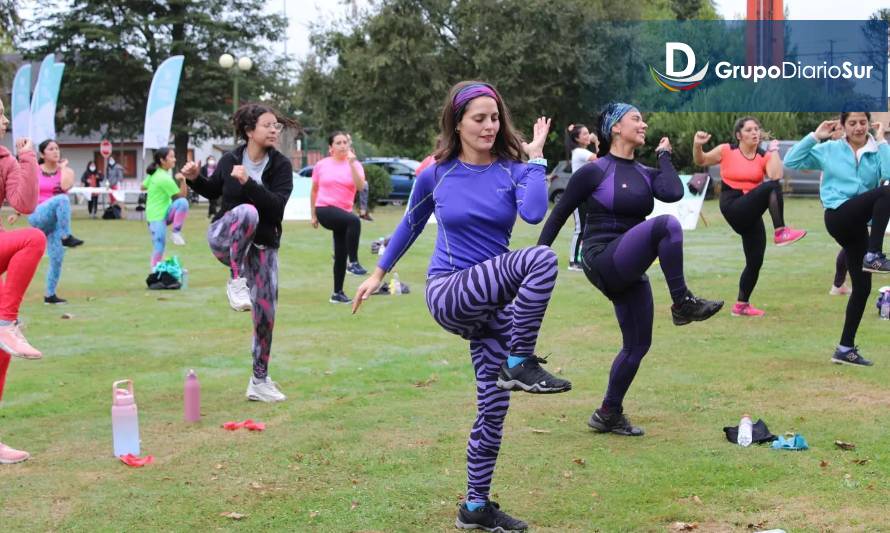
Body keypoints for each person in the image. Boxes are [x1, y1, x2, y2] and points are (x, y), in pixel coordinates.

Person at [353, 81, 571, 532]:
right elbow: (411, 224)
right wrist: (378, 273)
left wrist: (534, 158)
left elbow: (532, 215)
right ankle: (519, 362)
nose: (490, 126)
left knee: (493, 409)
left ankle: (474, 507)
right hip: (449, 291)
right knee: (543, 259)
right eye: (479, 118)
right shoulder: (438, 172)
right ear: (457, 122)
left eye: (495, 118)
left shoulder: (513, 169)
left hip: (491, 301)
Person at [538, 102, 723, 437]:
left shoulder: (645, 173)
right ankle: (682, 303)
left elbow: (673, 191)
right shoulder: (595, 171)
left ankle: (608, 412)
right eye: (636, 119)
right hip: (601, 256)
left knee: (637, 345)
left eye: (643, 119)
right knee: (667, 225)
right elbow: (560, 212)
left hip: (629, 262)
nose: (644, 124)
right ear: (615, 128)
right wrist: (535, 258)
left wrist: (664, 155)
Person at [182, 103, 296, 402]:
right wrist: (195, 177)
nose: (274, 130)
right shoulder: (230, 158)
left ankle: (259, 381)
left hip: (262, 247)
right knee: (246, 212)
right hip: (226, 239)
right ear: (249, 131)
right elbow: (212, 190)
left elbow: (276, 208)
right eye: (268, 125)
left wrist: (250, 183)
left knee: (266, 312)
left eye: (276, 126)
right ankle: (235, 281)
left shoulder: (281, 165)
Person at [785, 112, 890, 366]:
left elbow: (888, 172)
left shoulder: (875, 151)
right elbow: (792, 160)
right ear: (842, 126)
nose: (858, 127)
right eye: (852, 123)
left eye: (863, 123)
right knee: (886, 193)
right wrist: (814, 136)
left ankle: (845, 348)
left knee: (862, 288)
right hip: (838, 215)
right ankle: (874, 255)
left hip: (858, 226)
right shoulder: (829, 149)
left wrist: (882, 139)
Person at [693, 117, 807, 317]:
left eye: (757, 129)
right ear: (739, 135)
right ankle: (781, 232)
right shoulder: (727, 150)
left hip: (751, 209)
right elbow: (700, 160)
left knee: (755, 261)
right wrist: (697, 145)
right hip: (733, 204)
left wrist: (773, 152)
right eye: (749, 130)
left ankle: (741, 305)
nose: (755, 133)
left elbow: (775, 176)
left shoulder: (763, 155)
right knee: (771, 187)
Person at [0, 97, 48, 464]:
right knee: (32, 238)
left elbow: (26, 204)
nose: (4, 121)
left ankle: (5, 325)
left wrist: (28, 159)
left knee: (2, 355)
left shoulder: (5, 160)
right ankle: (5, 323)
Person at [7, 139, 81, 305]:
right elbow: (27, 192)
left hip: (54, 223)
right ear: (42, 154)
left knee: (57, 258)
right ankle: (66, 236)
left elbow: (65, 186)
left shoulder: (66, 171)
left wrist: (62, 169)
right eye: (51, 149)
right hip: (37, 215)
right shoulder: (36, 171)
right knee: (62, 199)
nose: (56, 152)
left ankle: (50, 295)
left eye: (57, 148)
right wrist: (17, 213)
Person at [311, 131, 368, 304]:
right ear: (331, 148)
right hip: (324, 209)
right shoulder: (321, 165)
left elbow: (360, 187)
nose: (343, 145)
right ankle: (354, 263)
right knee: (354, 220)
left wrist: (351, 163)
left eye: (345, 142)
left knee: (340, 253)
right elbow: (314, 190)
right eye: (338, 143)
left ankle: (337, 293)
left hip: (342, 213)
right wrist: (313, 214)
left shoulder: (355, 165)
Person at [141, 147, 188, 268]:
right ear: (162, 160)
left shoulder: (155, 174)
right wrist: (183, 180)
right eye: (171, 157)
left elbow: (142, 186)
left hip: (162, 213)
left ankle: (176, 232)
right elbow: (181, 196)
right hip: (157, 217)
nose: (174, 159)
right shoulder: (164, 178)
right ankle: (156, 270)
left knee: (159, 244)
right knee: (159, 244)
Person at [565, 123, 599, 271]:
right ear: (577, 139)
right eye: (584, 134)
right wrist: (597, 141)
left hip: (585, 196)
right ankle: (573, 262)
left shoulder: (582, 151)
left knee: (586, 229)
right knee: (580, 229)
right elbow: (601, 159)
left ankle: (583, 259)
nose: (588, 136)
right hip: (578, 196)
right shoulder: (579, 152)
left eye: (588, 132)